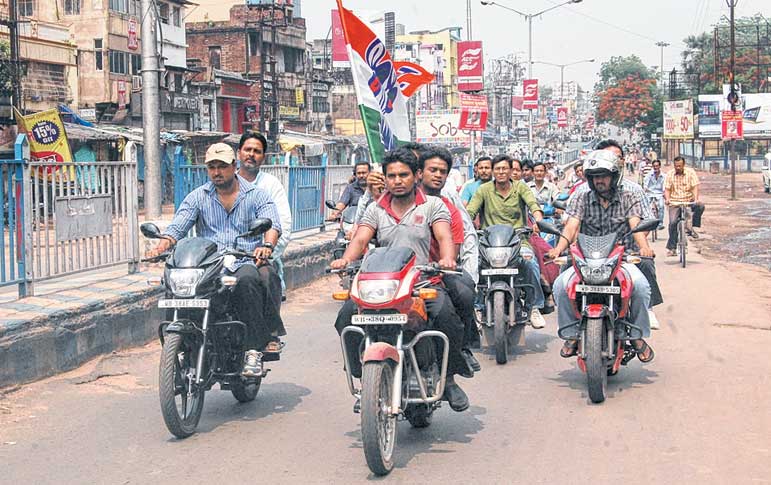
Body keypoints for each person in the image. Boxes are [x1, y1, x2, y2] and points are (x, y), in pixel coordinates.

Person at [330, 147, 471, 412]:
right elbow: (360, 239)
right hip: (382, 286)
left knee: (446, 316)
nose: (397, 181)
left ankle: (449, 379)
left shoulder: (432, 205)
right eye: (391, 175)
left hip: (422, 284)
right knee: (345, 317)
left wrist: (448, 258)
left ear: (416, 176)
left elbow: (444, 237)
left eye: (403, 175)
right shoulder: (375, 209)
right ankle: (365, 380)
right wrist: (345, 260)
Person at [147, 143, 284, 377]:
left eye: (222, 166)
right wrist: (161, 245)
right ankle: (182, 344)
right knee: (174, 286)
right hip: (209, 266)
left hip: (245, 260)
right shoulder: (198, 197)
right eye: (212, 167)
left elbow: (273, 225)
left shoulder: (256, 195)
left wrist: (266, 245)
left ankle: (252, 350)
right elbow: (178, 226)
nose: (217, 172)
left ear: (234, 166)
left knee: (249, 279)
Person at [547, 150, 655, 362]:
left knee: (641, 288)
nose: (599, 181)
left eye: (604, 175)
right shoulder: (581, 194)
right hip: (586, 259)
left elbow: (636, 223)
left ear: (615, 176)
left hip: (622, 257)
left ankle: (636, 335)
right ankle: (571, 334)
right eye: (595, 176)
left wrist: (644, 247)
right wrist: (558, 248)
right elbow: (571, 226)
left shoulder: (629, 194)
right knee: (560, 286)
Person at [418, 146, 482, 373]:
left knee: (464, 293)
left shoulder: (449, 209)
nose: (437, 175)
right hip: (396, 276)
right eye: (432, 170)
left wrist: (446, 261)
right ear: (419, 173)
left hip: (434, 274)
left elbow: (452, 248)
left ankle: (461, 348)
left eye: (442, 172)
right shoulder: (389, 203)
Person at [466, 154, 547, 329]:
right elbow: (470, 211)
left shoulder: (521, 188)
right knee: (476, 265)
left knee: (531, 264)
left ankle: (534, 307)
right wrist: (466, 223)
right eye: (497, 169)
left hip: (518, 241)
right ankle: (479, 307)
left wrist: (538, 221)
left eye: (505, 168)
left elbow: (533, 205)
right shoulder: (484, 190)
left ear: (511, 171)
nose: (501, 172)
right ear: (493, 171)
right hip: (488, 243)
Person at [237, 131, 292, 300]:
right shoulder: (225, 184)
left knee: (266, 284)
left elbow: (283, 224)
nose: (251, 155)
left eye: (257, 151)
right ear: (239, 153)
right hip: (225, 260)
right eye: (247, 149)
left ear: (263, 157)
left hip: (259, 259)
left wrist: (267, 251)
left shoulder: (270, 185)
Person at [664, 156, 706, 256]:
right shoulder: (670, 174)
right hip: (675, 201)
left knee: (700, 206)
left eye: (680, 166)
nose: (678, 168)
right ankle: (672, 248)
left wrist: (696, 199)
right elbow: (667, 189)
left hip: (688, 200)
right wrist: (667, 199)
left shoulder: (690, 172)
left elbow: (695, 186)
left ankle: (691, 228)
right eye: (676, 166)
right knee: (673, 223)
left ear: (683, 165)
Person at [643, 159, 666, 230]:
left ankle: (660, 223)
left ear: (659, 166)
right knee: (646, 206)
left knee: (661, 206)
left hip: (659, 194)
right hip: (650, 193)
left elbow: (665, 187)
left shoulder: (664, 176)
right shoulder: (649, 175)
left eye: (657, 166)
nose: (656, 167)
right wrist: (645, 189)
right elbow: (645, 185)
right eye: (654, 166)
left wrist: (664, 194)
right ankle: (647, 221)